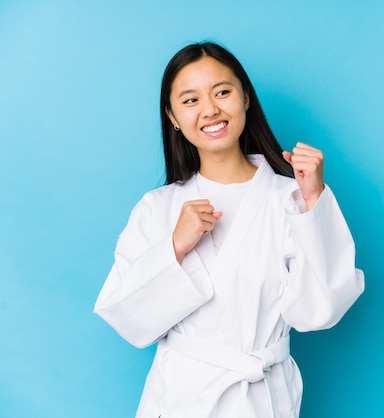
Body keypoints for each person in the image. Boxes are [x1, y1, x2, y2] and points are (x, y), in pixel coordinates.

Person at [94, 41, 364, 418]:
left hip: (261, 398)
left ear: (246, 98)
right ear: (172, 115)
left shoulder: (292, 198)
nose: (210, 109)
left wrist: (313, 201)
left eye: (222, 92)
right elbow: (128, 319)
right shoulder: (157, 209)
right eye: (190, 100)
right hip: (179, 401)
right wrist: (175, 247)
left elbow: (320, 311)